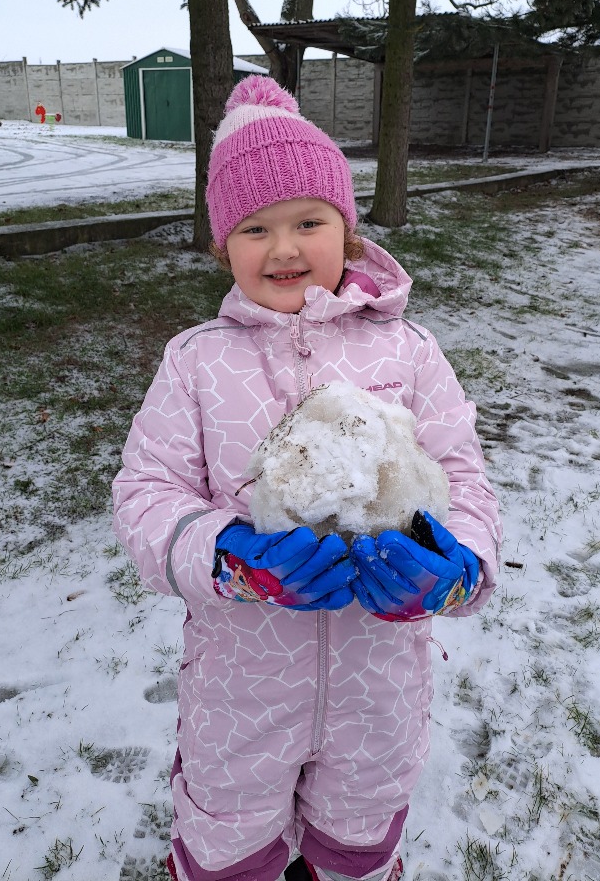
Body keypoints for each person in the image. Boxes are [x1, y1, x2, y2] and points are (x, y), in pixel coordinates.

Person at [112, 76, 502, 881]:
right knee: (227, 844)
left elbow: (463, 477)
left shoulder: (409, 353)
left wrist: (458, 566)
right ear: (224, 246)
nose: (284, 248)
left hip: (378, 687)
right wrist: (226, 555)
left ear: (347, 232)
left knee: (359, 837)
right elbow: (147, 492)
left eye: (308, 222)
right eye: (255, 229)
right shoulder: (196, 363)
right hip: (240, 688)